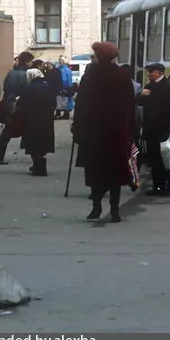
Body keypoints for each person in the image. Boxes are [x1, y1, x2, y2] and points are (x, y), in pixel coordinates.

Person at [73, 42, 134, 223]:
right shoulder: (122, 76)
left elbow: (81, 104)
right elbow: (130, 106)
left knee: (95, 171)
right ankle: (114, 210)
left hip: (94, 131)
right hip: (116, 131)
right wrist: (131, 131)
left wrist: (77, 127)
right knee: (115, 172)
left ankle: (96, 207)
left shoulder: (90, 76)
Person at [137, 63, 170, 195]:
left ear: (159, 72)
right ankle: (157, 184)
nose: (149, 75)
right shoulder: (149, 86)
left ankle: (166, 184)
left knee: (165, 156)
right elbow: (139, 102)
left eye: (151, 72)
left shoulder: (169, 86)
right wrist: (141, 95)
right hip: (150, 127)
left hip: (163, 127)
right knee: (154, 157)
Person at [0, 53, 34, 164]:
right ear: (26, 62)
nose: (31, 64)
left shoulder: (11, 73)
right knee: (10, 131)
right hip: (17, 106)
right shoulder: (25, 75)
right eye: (30, 62)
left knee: (8, 131)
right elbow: (27, 91)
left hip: (9, 104)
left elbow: (6, 87)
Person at [18, 68, 56, 177]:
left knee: (33, 143)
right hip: (46, 119)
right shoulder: (47, 86)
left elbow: (22, 104)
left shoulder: (29, 87)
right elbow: (53, 102)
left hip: (32, 119)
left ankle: (39, 166)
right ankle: (39, 165)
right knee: (43, 142)